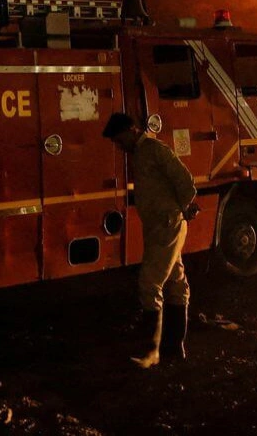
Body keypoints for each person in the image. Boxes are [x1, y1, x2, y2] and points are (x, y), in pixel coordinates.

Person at [102, 112, 200, 368]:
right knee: (177, 283)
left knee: (150, 282)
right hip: (159, 227)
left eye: (119, 139)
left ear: (132, 130)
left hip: (168, 225)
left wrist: (186, 207)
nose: (118, 145)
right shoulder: (140, 154)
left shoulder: (155, 150)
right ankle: (174, 347)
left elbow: (186, 181)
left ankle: (152, 351)